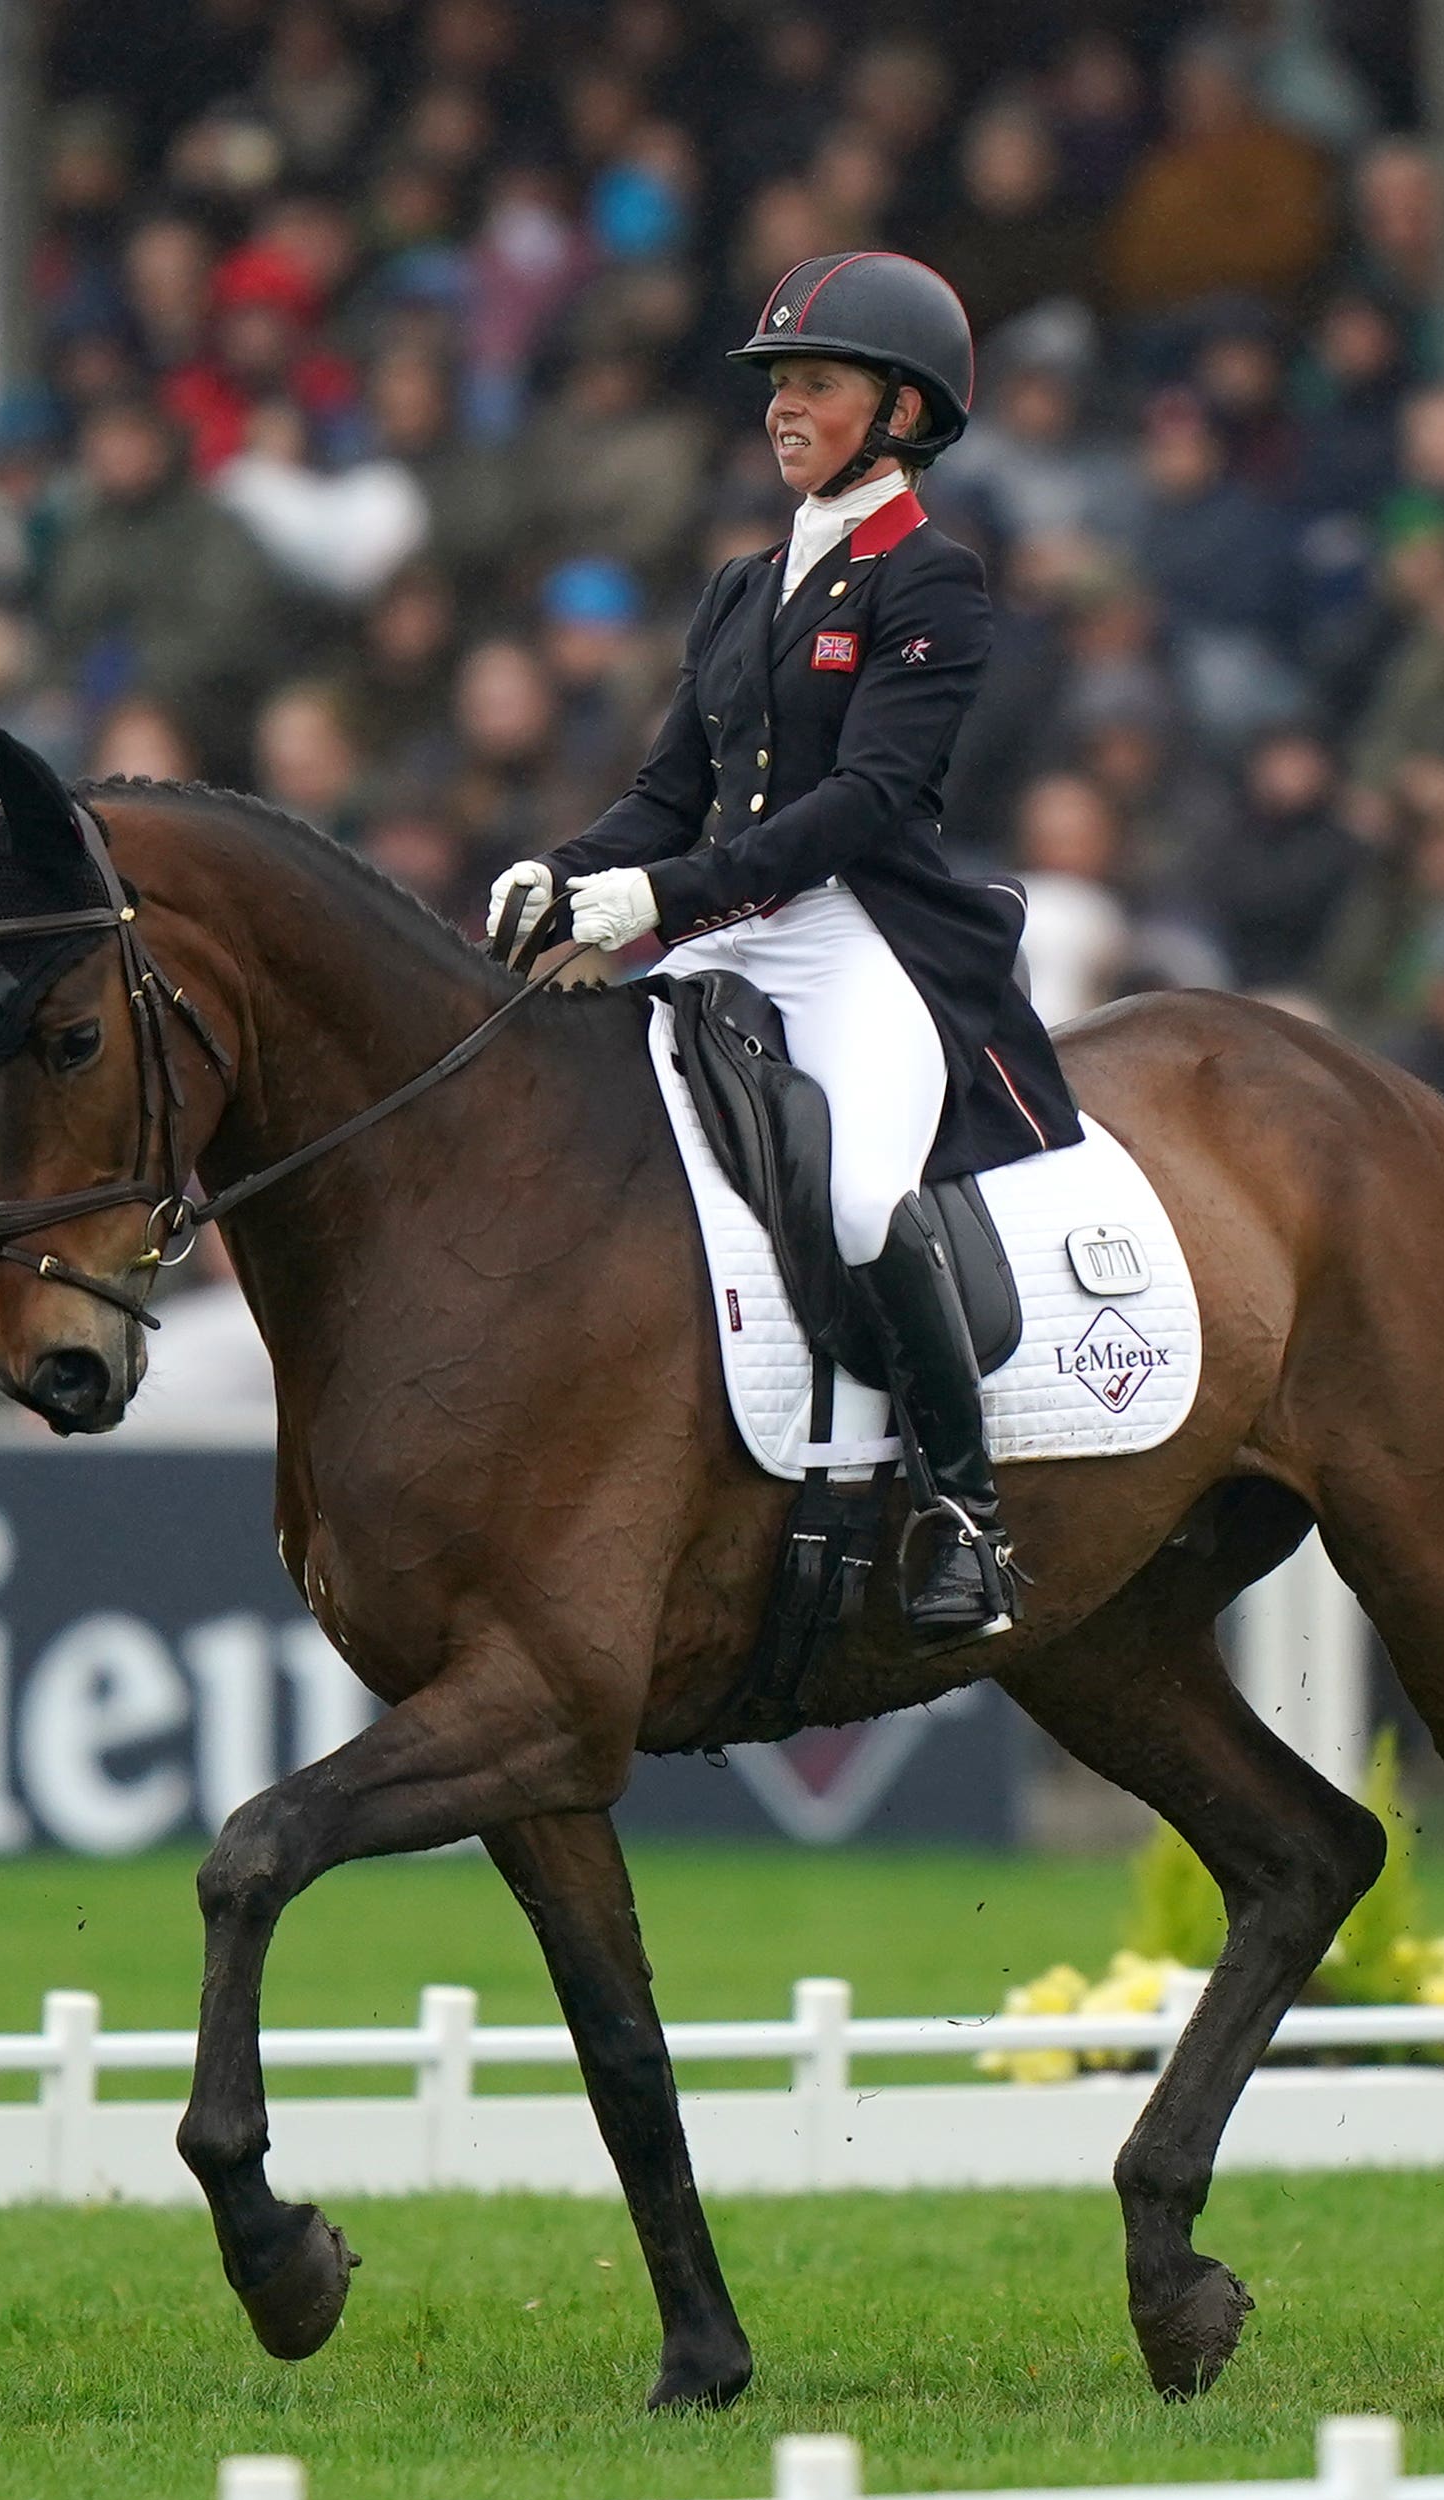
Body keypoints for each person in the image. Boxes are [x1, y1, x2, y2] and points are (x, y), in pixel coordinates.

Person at [488, 252, 1083, 1643]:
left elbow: (865, 802)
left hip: (851, 934)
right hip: (723, 929)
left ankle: (964, 1515)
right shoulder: (741, 588)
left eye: (812, 382)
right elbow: (664, 791)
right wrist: (565, 867)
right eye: (774, 385)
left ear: (898, 408)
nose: (782, 407)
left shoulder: (930, 579)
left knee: (866, 1196)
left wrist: (662, 898)